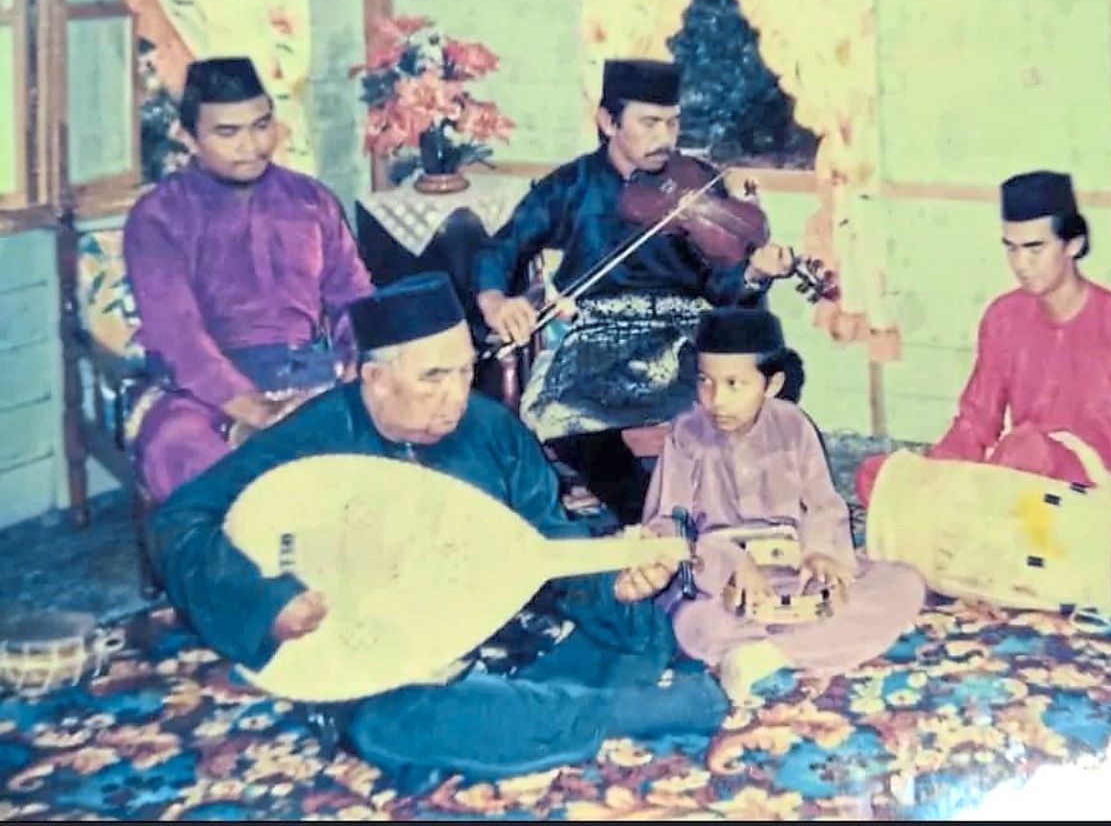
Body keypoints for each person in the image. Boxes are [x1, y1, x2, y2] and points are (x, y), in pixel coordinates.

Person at [148, 273, 728, 791]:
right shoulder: (315, 434)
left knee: (638, 630)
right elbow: (179, 522)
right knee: (387, 720)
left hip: (500, 627)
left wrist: (611, 585)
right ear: (374, 378)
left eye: (463, 371)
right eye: (432, 378)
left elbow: (548, 546)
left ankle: (523, 713)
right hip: (382, 651)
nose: (455, 397)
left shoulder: (492, 430)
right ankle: (625, 713)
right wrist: (262, 598)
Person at [473, 58, 794, 524]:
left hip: (683, 330)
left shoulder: (698, 182)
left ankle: (696, 495)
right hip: (600, 335)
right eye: (649, 123)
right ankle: (655, 513)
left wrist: (754, 275)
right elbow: (502, 247)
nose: (665, 138)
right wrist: (494, 300)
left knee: (775, 373)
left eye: (673, 122)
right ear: (608, 122)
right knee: (564, 415)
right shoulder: (572, 184)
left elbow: (724, 289)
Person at [855, 170, 1111, 551]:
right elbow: (976, 420)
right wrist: (931, 475)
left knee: (1024, 451)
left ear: (1073, 244)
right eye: (1011, 248)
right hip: (1025, 481)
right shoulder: (1003, 317)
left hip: (1097, 495)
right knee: (881, 474)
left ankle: (987, 533)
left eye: (1035, 248)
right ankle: (979, 527)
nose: (1021, 264)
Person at [617, 307, 925, 704]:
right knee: (693, 626)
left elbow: (823, 504)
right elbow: (668, 524)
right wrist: (729, 562)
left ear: (772, 384)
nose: (717, 400)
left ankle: (768, 655)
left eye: (734, 384)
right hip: (723, 590)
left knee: (903, 585)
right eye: (705, 382)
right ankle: (806, 648)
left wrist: (821, 554)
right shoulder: (686, 433)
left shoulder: (794, 425)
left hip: (796, 579)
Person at [123, 56, 374, 502]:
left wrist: (357, 367)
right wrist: (254, 409)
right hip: (198, 395)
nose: (252, 145)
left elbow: (354, 298)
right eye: (227, 132)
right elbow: (179, 337)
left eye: (261, 126)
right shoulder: (159, 215)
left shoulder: (311, 199)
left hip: (311, 377)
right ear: (188, 138)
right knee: (183, 454)